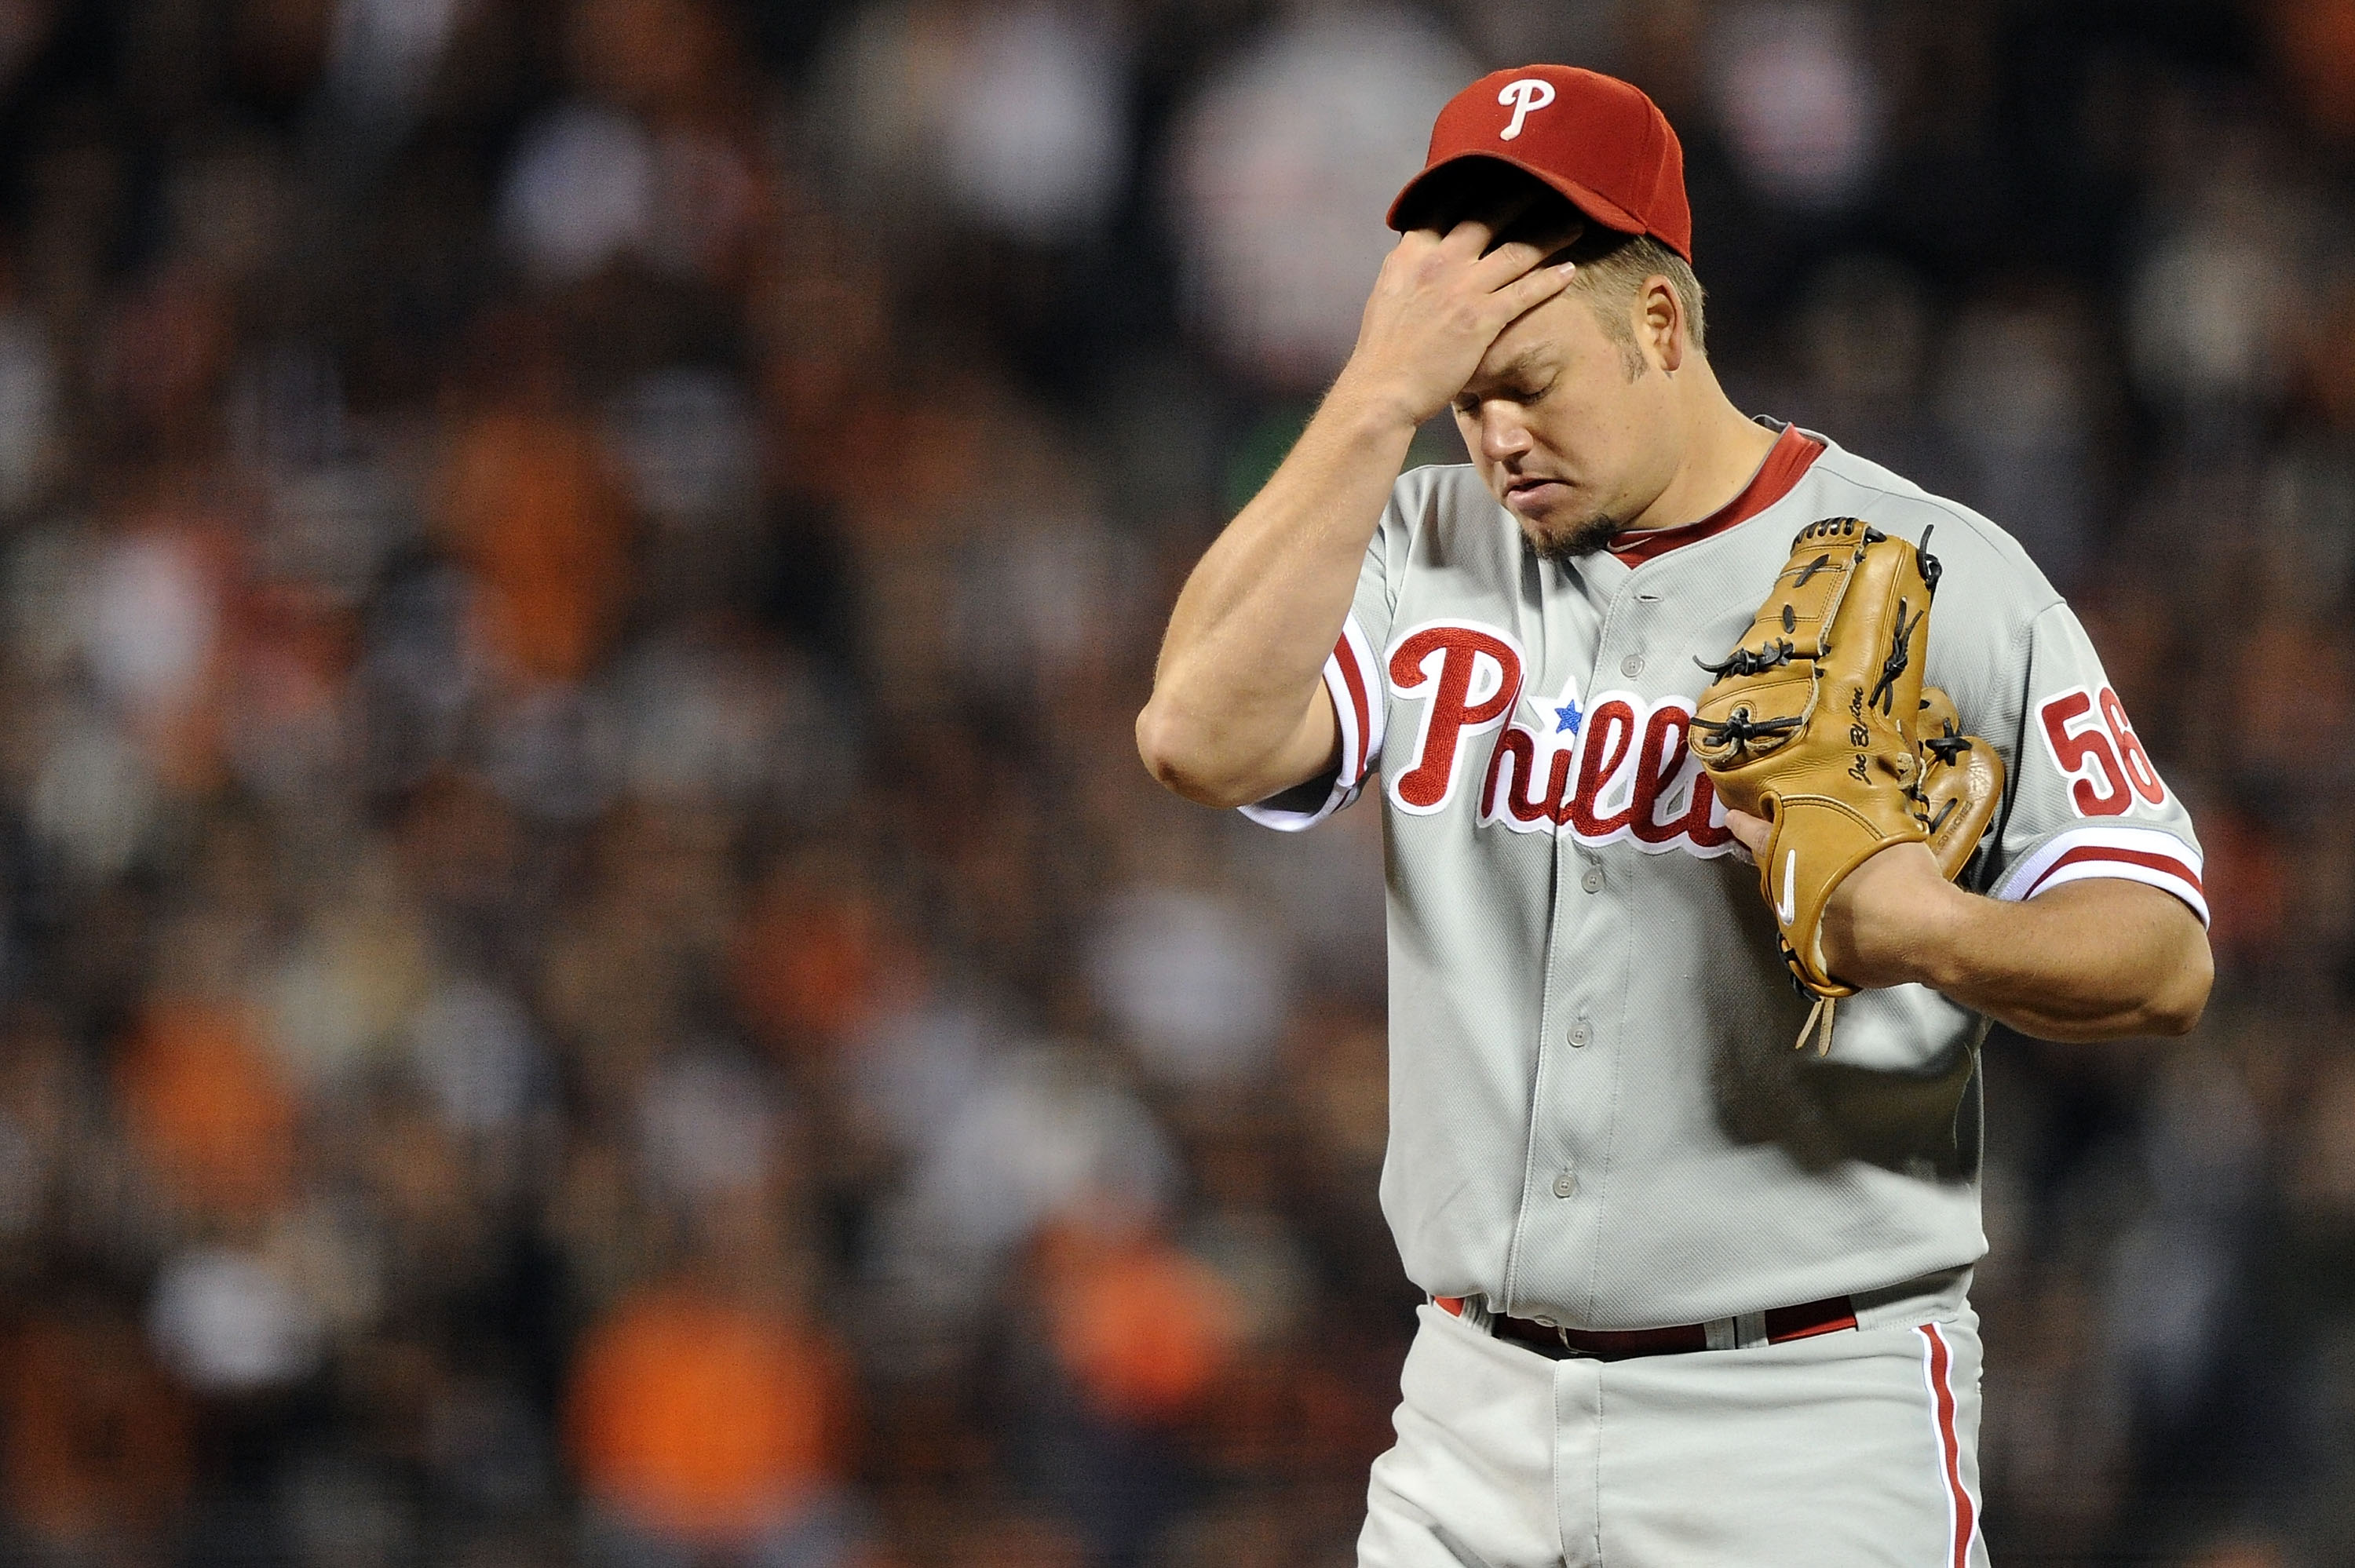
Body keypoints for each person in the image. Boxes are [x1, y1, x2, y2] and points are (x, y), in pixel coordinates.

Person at [1136, 64, 2213, 1567]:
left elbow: (2164, 956)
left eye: (1532, 383)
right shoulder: (1408, 535)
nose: (1496, 436)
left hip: (1800, 1421)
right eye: (1466, 391)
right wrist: (1377, 396)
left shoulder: (1928, 568)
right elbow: (1195, 736)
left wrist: (1938, 928)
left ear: (1659, 325)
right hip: (1469, 1411)